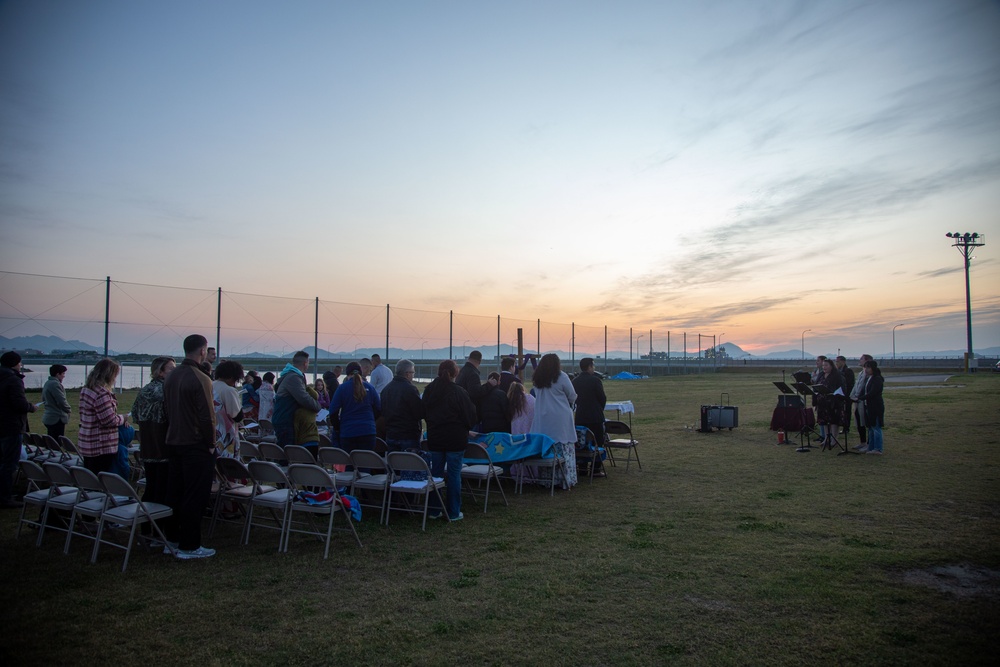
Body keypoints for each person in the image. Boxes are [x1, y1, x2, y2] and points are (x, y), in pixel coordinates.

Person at [163, 334, 217, 560]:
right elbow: (207, 416)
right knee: (195, 495)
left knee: (175, 492)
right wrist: (212, 443)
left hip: (174, 440)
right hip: (195, 443)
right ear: (203, 351)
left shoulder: (172, 375)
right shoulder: (200, 378)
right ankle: (190, 545)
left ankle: (172, 539)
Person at [422, 359, 477, 521]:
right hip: (455, 439)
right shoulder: (458, 392)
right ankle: (453, 511)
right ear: (455, 373)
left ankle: (433, 509)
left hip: (436, 438)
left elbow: (423, 412)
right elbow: (470, 416)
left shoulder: (429, 390)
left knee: (436, 474)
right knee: (453, 475)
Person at [131, 356, 175, 532]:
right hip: (163, 444)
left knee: (151, 486)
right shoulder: (165, 391)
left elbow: (135, 414)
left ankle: (146, 525)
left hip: (147, 444)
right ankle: (160, 526)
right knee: (163, 488)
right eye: (171, 368)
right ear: (160, 372)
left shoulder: (144, 390)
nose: (175, 371)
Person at [531, 353, 579, 489]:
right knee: (564, 448)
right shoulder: (561, 376)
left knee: (546, 448)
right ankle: (565, 479)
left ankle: (546, 480)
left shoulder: (537, 378)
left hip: (542, 416)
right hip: (560, 418)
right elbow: (572, 395)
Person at [78, 358, 129, 474]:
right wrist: (123, 418)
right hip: (100, 445)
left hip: (87, 440)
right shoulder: (101, 393)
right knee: (100, 476)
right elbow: (109, 421)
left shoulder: (86, 389)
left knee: (90, 475)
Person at [0, 351, 36, 509]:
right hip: (12, 426)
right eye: (20, 363)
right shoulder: (14, 380)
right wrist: (31, 407)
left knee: (3, 461)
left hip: (2, 425)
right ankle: (5, 497)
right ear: (15, 363)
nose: (21, 366)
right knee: (9, 463)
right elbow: (19, 404)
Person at [272, 351, 321, 447]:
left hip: (284, 419)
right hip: (284, 420)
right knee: (286, 453)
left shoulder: (289, 375)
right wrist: (318, 406)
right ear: (305, 363)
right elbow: (304, 398)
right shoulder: (293, 378)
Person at [330, 361, 381, 452]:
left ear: (347, 374)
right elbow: (378, 408)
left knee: (349, 463)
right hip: (368, 431)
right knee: (365, 462)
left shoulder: (342, 388)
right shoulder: (370, 388)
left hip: (348, 432)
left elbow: (333, 412)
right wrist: (370, 420)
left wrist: (338, 427)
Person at [573, 357, 607, 476]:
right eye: (593, 366)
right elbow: (602, 398)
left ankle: (582, 467)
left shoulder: (575, 381)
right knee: (598, 442)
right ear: (589, 367)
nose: (594, 368)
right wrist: (599, 409)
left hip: (581, 415)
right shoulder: (595, 381)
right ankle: (596, 469)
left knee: (582, 442)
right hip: (595, 416)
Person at [379, 359, 423, 453]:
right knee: (409, 465)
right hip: (408, 435)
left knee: (395, 464)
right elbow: (419, 413)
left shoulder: (386, 389)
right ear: (407, 374)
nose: (413, 375)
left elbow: (382, 411)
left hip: (391, 434)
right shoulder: (410, 389)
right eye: (413, 372)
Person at [456, 350, 498, 425]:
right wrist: (489, 385)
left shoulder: (462, 371)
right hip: (470, 413)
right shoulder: (473, 374)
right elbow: (475, 393)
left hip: (460, 411)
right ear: (479, 361)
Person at [212, 360, 245, 456]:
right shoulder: (228, 390)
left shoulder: (210, 385)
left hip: (212, 434)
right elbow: (236, 415)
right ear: (231, 377)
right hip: (225, 436)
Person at [815, 358, 844, 448]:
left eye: (826, 365)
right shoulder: (821, 375)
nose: (824, 367)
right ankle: (826, 438)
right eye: (823, 365)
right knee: (824, 421)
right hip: (822, 402)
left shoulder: (837, 375)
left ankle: (834, 439)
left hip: (833, 402)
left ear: (831, 366)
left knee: (833, 421)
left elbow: (842, 388)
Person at [859, 359, 885, 454]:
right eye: (865, 367)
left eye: (868, 367)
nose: (866, 369)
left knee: (876, 427)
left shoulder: (877, 379)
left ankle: (878, 448)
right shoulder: (869, 378)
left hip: (875, 406)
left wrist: (861, 398)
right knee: (870, 427)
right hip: (868, 406)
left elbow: (872, 393)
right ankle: (871, 447)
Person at [850, 354, 873, 451]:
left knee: (866, 423)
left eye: (861, 359)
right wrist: (852, 396)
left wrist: (859, 397)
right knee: (859, 421)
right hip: (857, 401)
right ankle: (862, 442)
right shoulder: (861, 373)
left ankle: (869, 444)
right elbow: (856, 386)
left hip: (864, 401)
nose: (859, 360)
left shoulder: (869, 375)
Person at [41, 364, 71, 439]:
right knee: (57, 442)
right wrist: (68, 409)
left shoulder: (47, 383)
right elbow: (61, 401)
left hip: (49, 416)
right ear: (58, 374)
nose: (64, 376)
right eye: (63, 373)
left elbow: (43, 399)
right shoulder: (55, 384)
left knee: (51, 440)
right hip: (56, 418)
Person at [835, 356, 855, 436]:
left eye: (838, 361)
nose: (836, 363)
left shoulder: (848, 370)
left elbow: (849, 383)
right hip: (841, 394)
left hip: (847, 395)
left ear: (843, 362)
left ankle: (846, 428)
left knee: (847, 411)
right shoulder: (839, 370)